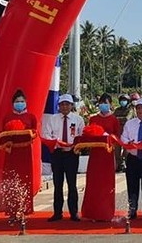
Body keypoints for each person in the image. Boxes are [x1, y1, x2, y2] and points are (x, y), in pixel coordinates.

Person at [43, 94, 84, 222]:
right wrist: (57, 142)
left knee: (72, 184)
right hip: (57, 154)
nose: (65, 106)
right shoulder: (52, 119)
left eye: (67, 104)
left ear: (71, 106)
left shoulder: (78, 119)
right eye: (62, 104)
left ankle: (73, 212)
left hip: (71, 154)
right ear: (59, 106)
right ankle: (57, 212)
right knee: (58, 184)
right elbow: (46, 134)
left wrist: (77, 147)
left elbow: (82, 136)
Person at [0, 89, 38, 222]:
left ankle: (23, 211)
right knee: (11, 180)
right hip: (12, 153)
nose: (19, 103)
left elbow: (34, 131)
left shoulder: (31, 117)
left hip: (25, 153)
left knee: (24, 180)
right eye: (17, 101)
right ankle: (11, 211)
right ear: (12, 103)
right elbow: (2, 134)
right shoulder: (7, 117)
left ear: (26, 102)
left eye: (21, 101)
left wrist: (29, 133)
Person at [81, 93, 120, 221]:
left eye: (106, 103)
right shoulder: (93, 119)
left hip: (107, 154)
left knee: (106, 183)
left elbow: (117, 137)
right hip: (95, 155)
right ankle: (91, 212)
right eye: (102, 103)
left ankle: (106, 212)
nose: (104, 105)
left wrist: (108, 137)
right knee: (94, 182)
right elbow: (88, 133)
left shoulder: (114, 119)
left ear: (110, 104)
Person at [113, 94, 132, 172]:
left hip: (127, 133)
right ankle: (119, 165)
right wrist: (120, 119)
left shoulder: (130, 110)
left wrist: (118, 119)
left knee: (126, 151)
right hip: (117, 132)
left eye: (124, 100)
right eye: (121, 100)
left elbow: (127, 119)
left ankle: (126, 164)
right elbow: (113, 119)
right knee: (117, 151)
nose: (122, 102)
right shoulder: (117, 110)